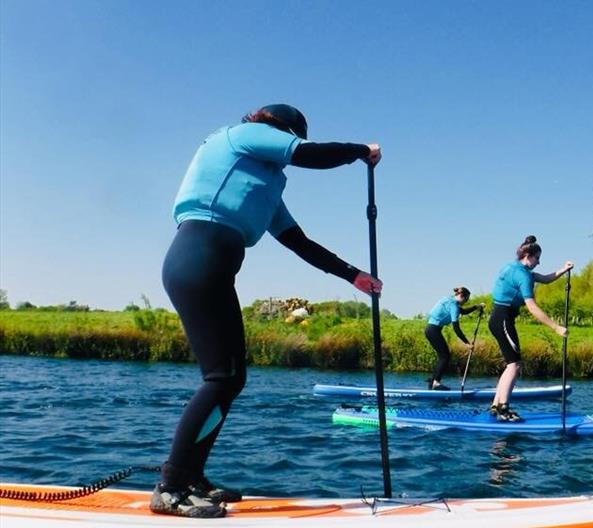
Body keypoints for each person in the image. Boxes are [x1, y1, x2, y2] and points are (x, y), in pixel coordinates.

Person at [152, 104, 382, 518]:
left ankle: (191, 476)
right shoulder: (240, 136)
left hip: (214, 264)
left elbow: (300, 242)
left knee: (231, 378)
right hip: (196, 255)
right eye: (291, 140)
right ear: (279, 131)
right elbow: (310, 155)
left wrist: (353, 276)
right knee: (221, 378)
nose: (290, 148)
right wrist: (360, 150)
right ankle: (170, 487)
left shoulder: (265, 187)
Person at [488, 235, 572, 422]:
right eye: (537, 258)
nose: (539, 262)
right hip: (503, 319)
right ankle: (503, 409)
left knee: (511, 364)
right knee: (515, 365)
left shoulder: (513, 268)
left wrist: (563, 270)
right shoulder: (522, 274)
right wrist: (556, 327)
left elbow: (545, 278)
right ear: (528, 255)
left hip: (498, 318)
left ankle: (496, 406)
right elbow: (532, 307)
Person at [424, 287, 484, 390]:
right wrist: (467, 343)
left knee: (443, 356)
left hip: (431, 330)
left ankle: (433, 381)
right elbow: (456, 328)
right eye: (466, 300)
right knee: (445, 356)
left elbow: (463, 311)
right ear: (461, 296)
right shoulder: (454, 306)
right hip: (433, 330)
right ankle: (436, 382)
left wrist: (476, 307)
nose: (465, 302)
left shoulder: (449, 299)